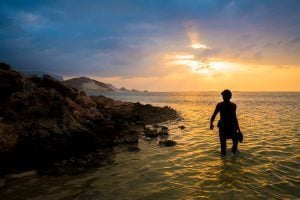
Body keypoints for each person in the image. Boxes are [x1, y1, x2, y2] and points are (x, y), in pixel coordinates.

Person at [210, 89, 241, 156]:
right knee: (224, 146)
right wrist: (211, 123)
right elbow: (214, 115)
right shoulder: (220, 105)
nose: (224, 98)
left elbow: (235, 118)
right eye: (223, 96)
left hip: (231, 126)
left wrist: (239, 130)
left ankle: (231, 160)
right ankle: (227, 161)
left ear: (230, 97)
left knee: (234, 143)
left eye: (225, 96)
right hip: (224, 127)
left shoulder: (233, 106)